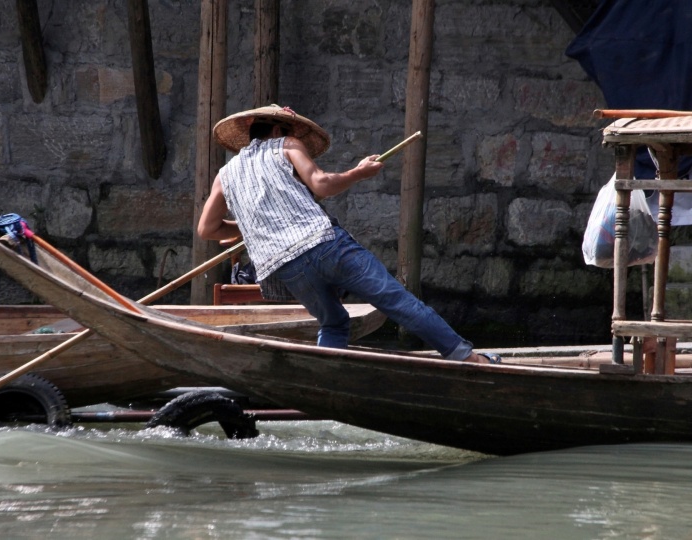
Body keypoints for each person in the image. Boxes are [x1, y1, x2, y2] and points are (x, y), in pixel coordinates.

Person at [197, 104, 500, 365]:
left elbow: (207, 229)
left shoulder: (225, 175)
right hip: (323, 246)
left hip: (285, 268)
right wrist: (359, 172)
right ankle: (467, 358)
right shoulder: (286, 144)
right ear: (277, 129)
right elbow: (322, 184)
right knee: (396, 300)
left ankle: (325, 388)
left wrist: (252, 228)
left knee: (334, 323)